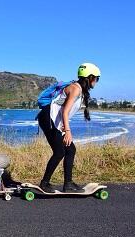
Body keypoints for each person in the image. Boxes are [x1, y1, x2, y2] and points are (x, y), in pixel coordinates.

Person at [37, 63, 101, 192]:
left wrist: (63, 128)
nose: (97, 81)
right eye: (96, 78)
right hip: (48, 118)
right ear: (89, 77)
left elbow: (62, 110)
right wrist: (67, 131)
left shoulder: (79, 89)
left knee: (70, 149)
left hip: (53, 119)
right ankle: (44, 183)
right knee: (59, 151)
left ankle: (68, 184)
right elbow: (65, 111)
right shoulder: (76, 88)